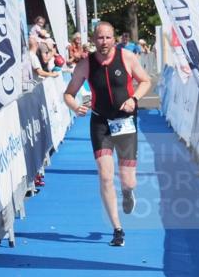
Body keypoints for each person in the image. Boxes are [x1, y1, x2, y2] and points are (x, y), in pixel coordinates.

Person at [63, 22, 151, 247]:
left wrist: (134, 99)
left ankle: (128, 192)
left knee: (128, 180)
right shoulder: (85, 64)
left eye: (108, 38)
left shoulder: (127, 57)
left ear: (114, 39)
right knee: (104, 175)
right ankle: (117, 229)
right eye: (100, 38)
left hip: (125, 122)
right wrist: (75, 107)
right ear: (94, 40)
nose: (104, 42)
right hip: (100, 121)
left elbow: (146, 81)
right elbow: (69, 94)